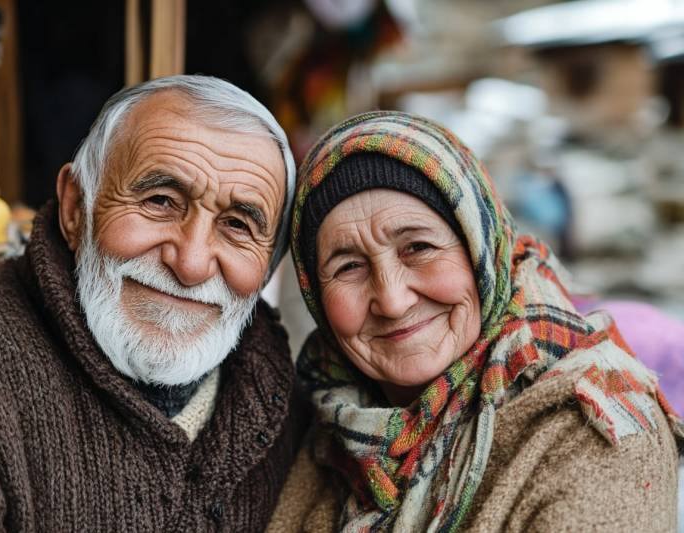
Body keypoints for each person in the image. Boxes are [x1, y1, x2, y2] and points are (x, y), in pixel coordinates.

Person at [0, 75, 307, 531]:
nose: (191, 263)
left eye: (238, 225)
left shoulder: (288, 407)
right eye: (160, 201)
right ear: (74, 207)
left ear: (268, 266)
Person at [268, 111, 683, 532]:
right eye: (349, 267)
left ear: (482, 253)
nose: (392, 301)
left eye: (418, 247)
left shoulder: (597, 434)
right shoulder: (316, 422)